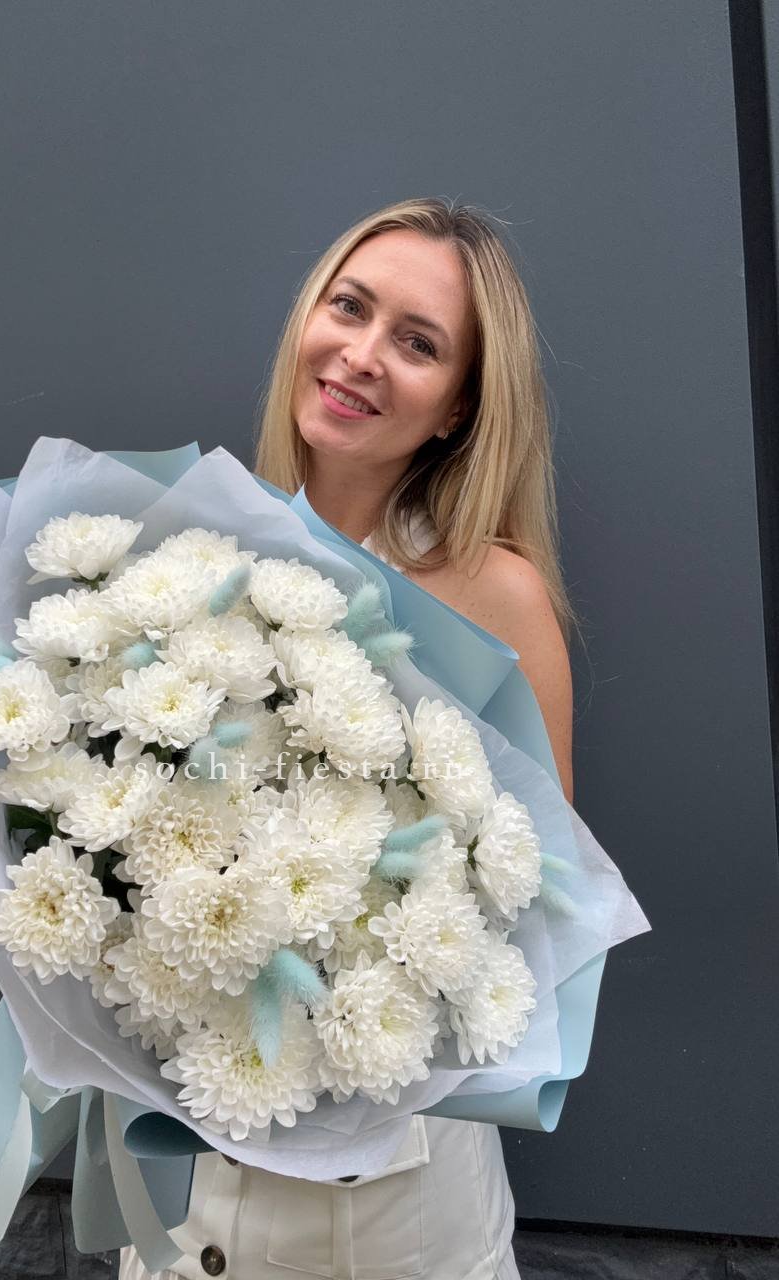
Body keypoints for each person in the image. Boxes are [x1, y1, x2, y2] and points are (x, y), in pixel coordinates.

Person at [120, 196, 576, 1279]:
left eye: (417, 344)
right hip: (194, 1161)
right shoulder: (200, 554)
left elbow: (541, 897)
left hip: (391, 1195)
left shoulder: (494, 596)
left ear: (458, 407)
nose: (361, 355)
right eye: (349, 308)